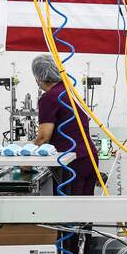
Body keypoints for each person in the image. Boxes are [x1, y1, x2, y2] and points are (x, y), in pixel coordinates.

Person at [32, 53, 100, 195]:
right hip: (89, 158)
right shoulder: (70, 91)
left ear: (39, 77)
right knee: (85, 205)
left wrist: (25, 163)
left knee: (68, 206)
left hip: (72, 162)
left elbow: (43, 138)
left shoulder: (49, 97)